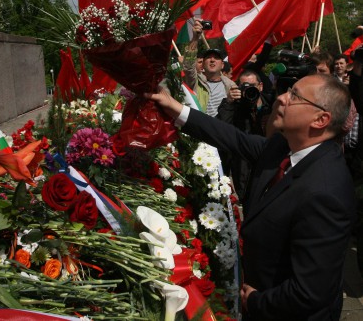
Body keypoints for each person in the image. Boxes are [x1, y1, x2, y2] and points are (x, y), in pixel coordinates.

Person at [145, 73, 355, 321]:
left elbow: (310, 291)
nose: (282, 98)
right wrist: (176, 108)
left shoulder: (325, 191)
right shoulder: (283, 148)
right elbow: (234, 138)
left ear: (321, 119)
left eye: (295, 96)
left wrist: (255, 300)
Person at [217, 69, 274, 201]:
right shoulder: (233, 105)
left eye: (252, 86)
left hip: (267, 159)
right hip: (242, 164)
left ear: (260, 86)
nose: (249, 90)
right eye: (244, 87)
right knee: (245, 198)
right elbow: (221, 127)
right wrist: (229, 102)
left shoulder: (272, 104)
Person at [182, 19, 236, 117]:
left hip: (222, 129)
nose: (212, 60)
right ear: (202, 64)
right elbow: (188, 66)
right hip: (202, 128)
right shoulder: (195, 82)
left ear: (222, 65)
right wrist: (195, 38)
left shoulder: (231, 85)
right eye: (208, 57)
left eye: (216, 58)